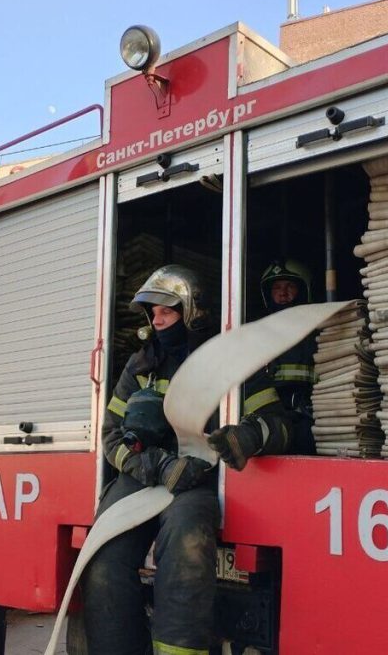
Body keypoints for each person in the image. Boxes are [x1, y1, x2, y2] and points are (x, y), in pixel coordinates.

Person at [80, 264, 292, 655]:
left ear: (192, 312)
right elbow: (111, 434)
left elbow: (278, 425)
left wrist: (244, 437)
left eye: (167, 311)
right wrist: (154, 465)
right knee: (104, 557)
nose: (158, 321)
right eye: (153, 314)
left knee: (185, 548)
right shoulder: (140, 366)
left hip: (198, 479)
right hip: (145, 475)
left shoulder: (230, 361)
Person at [244, 258, 319, 455]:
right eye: (276, 287)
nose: (283, 293)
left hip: (309, 416)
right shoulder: (256, 332)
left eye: (290, 286)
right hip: (267, 417)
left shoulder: (318, 331)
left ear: (303, 290)